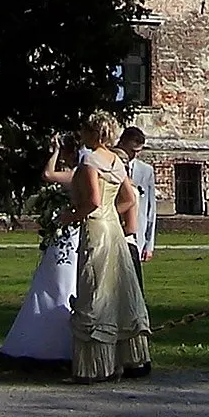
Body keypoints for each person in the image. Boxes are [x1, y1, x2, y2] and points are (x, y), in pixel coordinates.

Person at [67, 111, 151, 383]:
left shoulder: (90, 161)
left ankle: (94, 367)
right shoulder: (116, 161)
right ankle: (129, 358)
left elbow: (91, 201)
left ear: (92, 132)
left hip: (96, 227)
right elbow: (130, 197)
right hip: (113, 227)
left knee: (95, 290)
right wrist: (112, 212)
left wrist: (69, 216)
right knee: (118, 290)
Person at [0, 134, 81, 365]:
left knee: (60, 281)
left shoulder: (78, 174)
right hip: (66, 231)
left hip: (69, 231)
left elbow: (47, 174)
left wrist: (53, 152)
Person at [118, 126, 156, 280]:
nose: (135, 155)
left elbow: (150, 208)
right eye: (132, 150)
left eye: (138, 151)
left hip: (137, 235)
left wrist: (149, 244)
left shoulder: (146, 171)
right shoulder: (110, 165)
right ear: (122, 143)